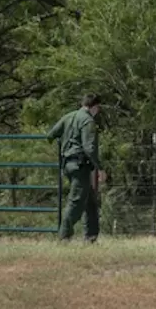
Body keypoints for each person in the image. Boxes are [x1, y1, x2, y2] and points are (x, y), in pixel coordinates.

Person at [47, 94, 106, 243]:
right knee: (76, 201)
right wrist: (100, 168)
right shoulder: (88, 121)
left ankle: (91, 237)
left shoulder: (68, 117)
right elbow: (89, 148)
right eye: (98, 108)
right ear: (94, 106)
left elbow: (51, 135)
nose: (98, 112)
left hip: (67, 164)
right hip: (81, 166)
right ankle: (64, 235)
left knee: (90, 200)